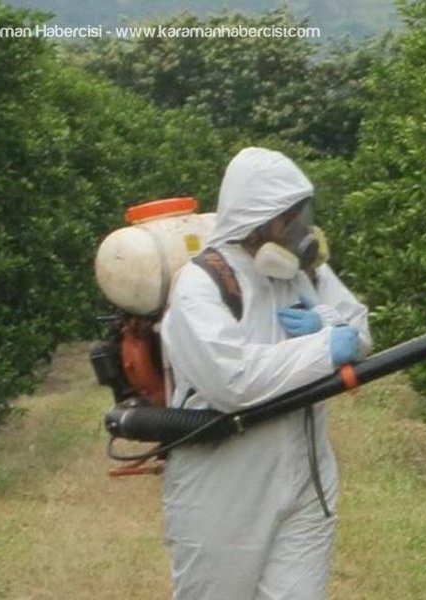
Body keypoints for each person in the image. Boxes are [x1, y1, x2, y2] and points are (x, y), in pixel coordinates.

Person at [159, 147, 372, 598]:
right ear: (255, 218)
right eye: (287, 216)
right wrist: (324, 347)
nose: (299, 229)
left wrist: (331, 326)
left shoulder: (304, 272)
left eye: (301, 214)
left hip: (307, 478)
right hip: (224, 483)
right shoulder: (203, 284)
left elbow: (359, 331)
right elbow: (232, 380)